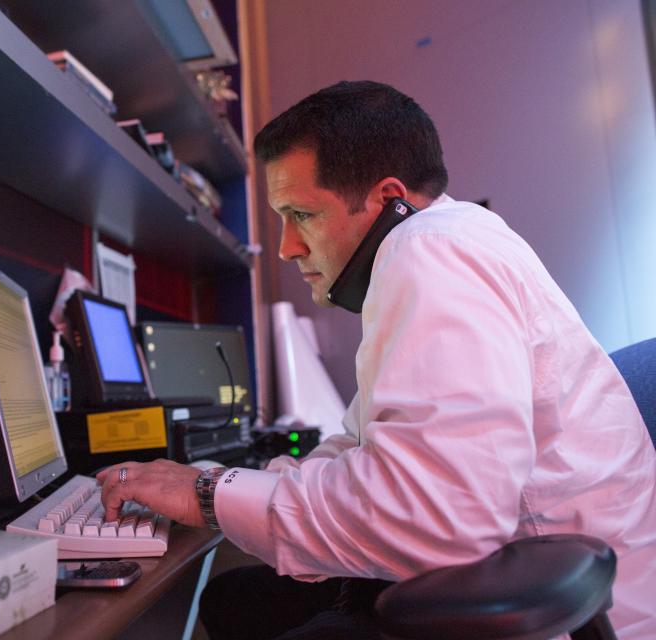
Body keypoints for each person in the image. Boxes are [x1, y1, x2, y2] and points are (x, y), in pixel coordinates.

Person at [97, 80, 656, 639]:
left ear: (389, 196)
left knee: (237, 605)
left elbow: (438, 521)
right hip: (537, 581)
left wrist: (206, 495)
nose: (289, 245)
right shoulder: (458, 237)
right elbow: (365, 444)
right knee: (233, 598)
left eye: (302, 215)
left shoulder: (429, 250)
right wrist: (221, 483)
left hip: (552, 612)